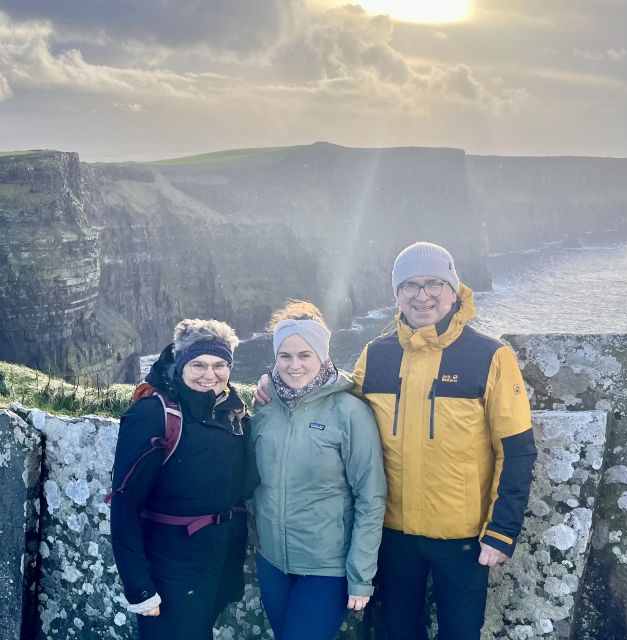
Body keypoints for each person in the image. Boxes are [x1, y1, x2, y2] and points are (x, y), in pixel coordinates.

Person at [255, 243, 537, 640]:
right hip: (394, 535)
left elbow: (517, 450)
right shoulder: (377, 355)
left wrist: (501, 530)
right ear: (396, 295)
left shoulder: (490, 356)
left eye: (433, 283)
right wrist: (273, 381)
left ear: (453, 289)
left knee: (460, 632)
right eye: (410, 286)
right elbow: (328, 399)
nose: (422, 295)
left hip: (463, 538)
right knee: (398, 632)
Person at [109, 319, 256, 640]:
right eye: (198, 364)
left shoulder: (232, 412)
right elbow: (124, 505)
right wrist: (139, 588)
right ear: (180, 363)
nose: (209, 374)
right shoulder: (153, 415)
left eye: (220, 365)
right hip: (169, 572)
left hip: (218, 567)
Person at [251, 300, 387, 640]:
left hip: (326, 568)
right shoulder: (264, 410)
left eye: (304, 355)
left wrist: (360, 575)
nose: (294, 365)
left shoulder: (349, 412)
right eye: (285, 356)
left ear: (323, 357)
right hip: (272, 563)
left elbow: (371, 497)